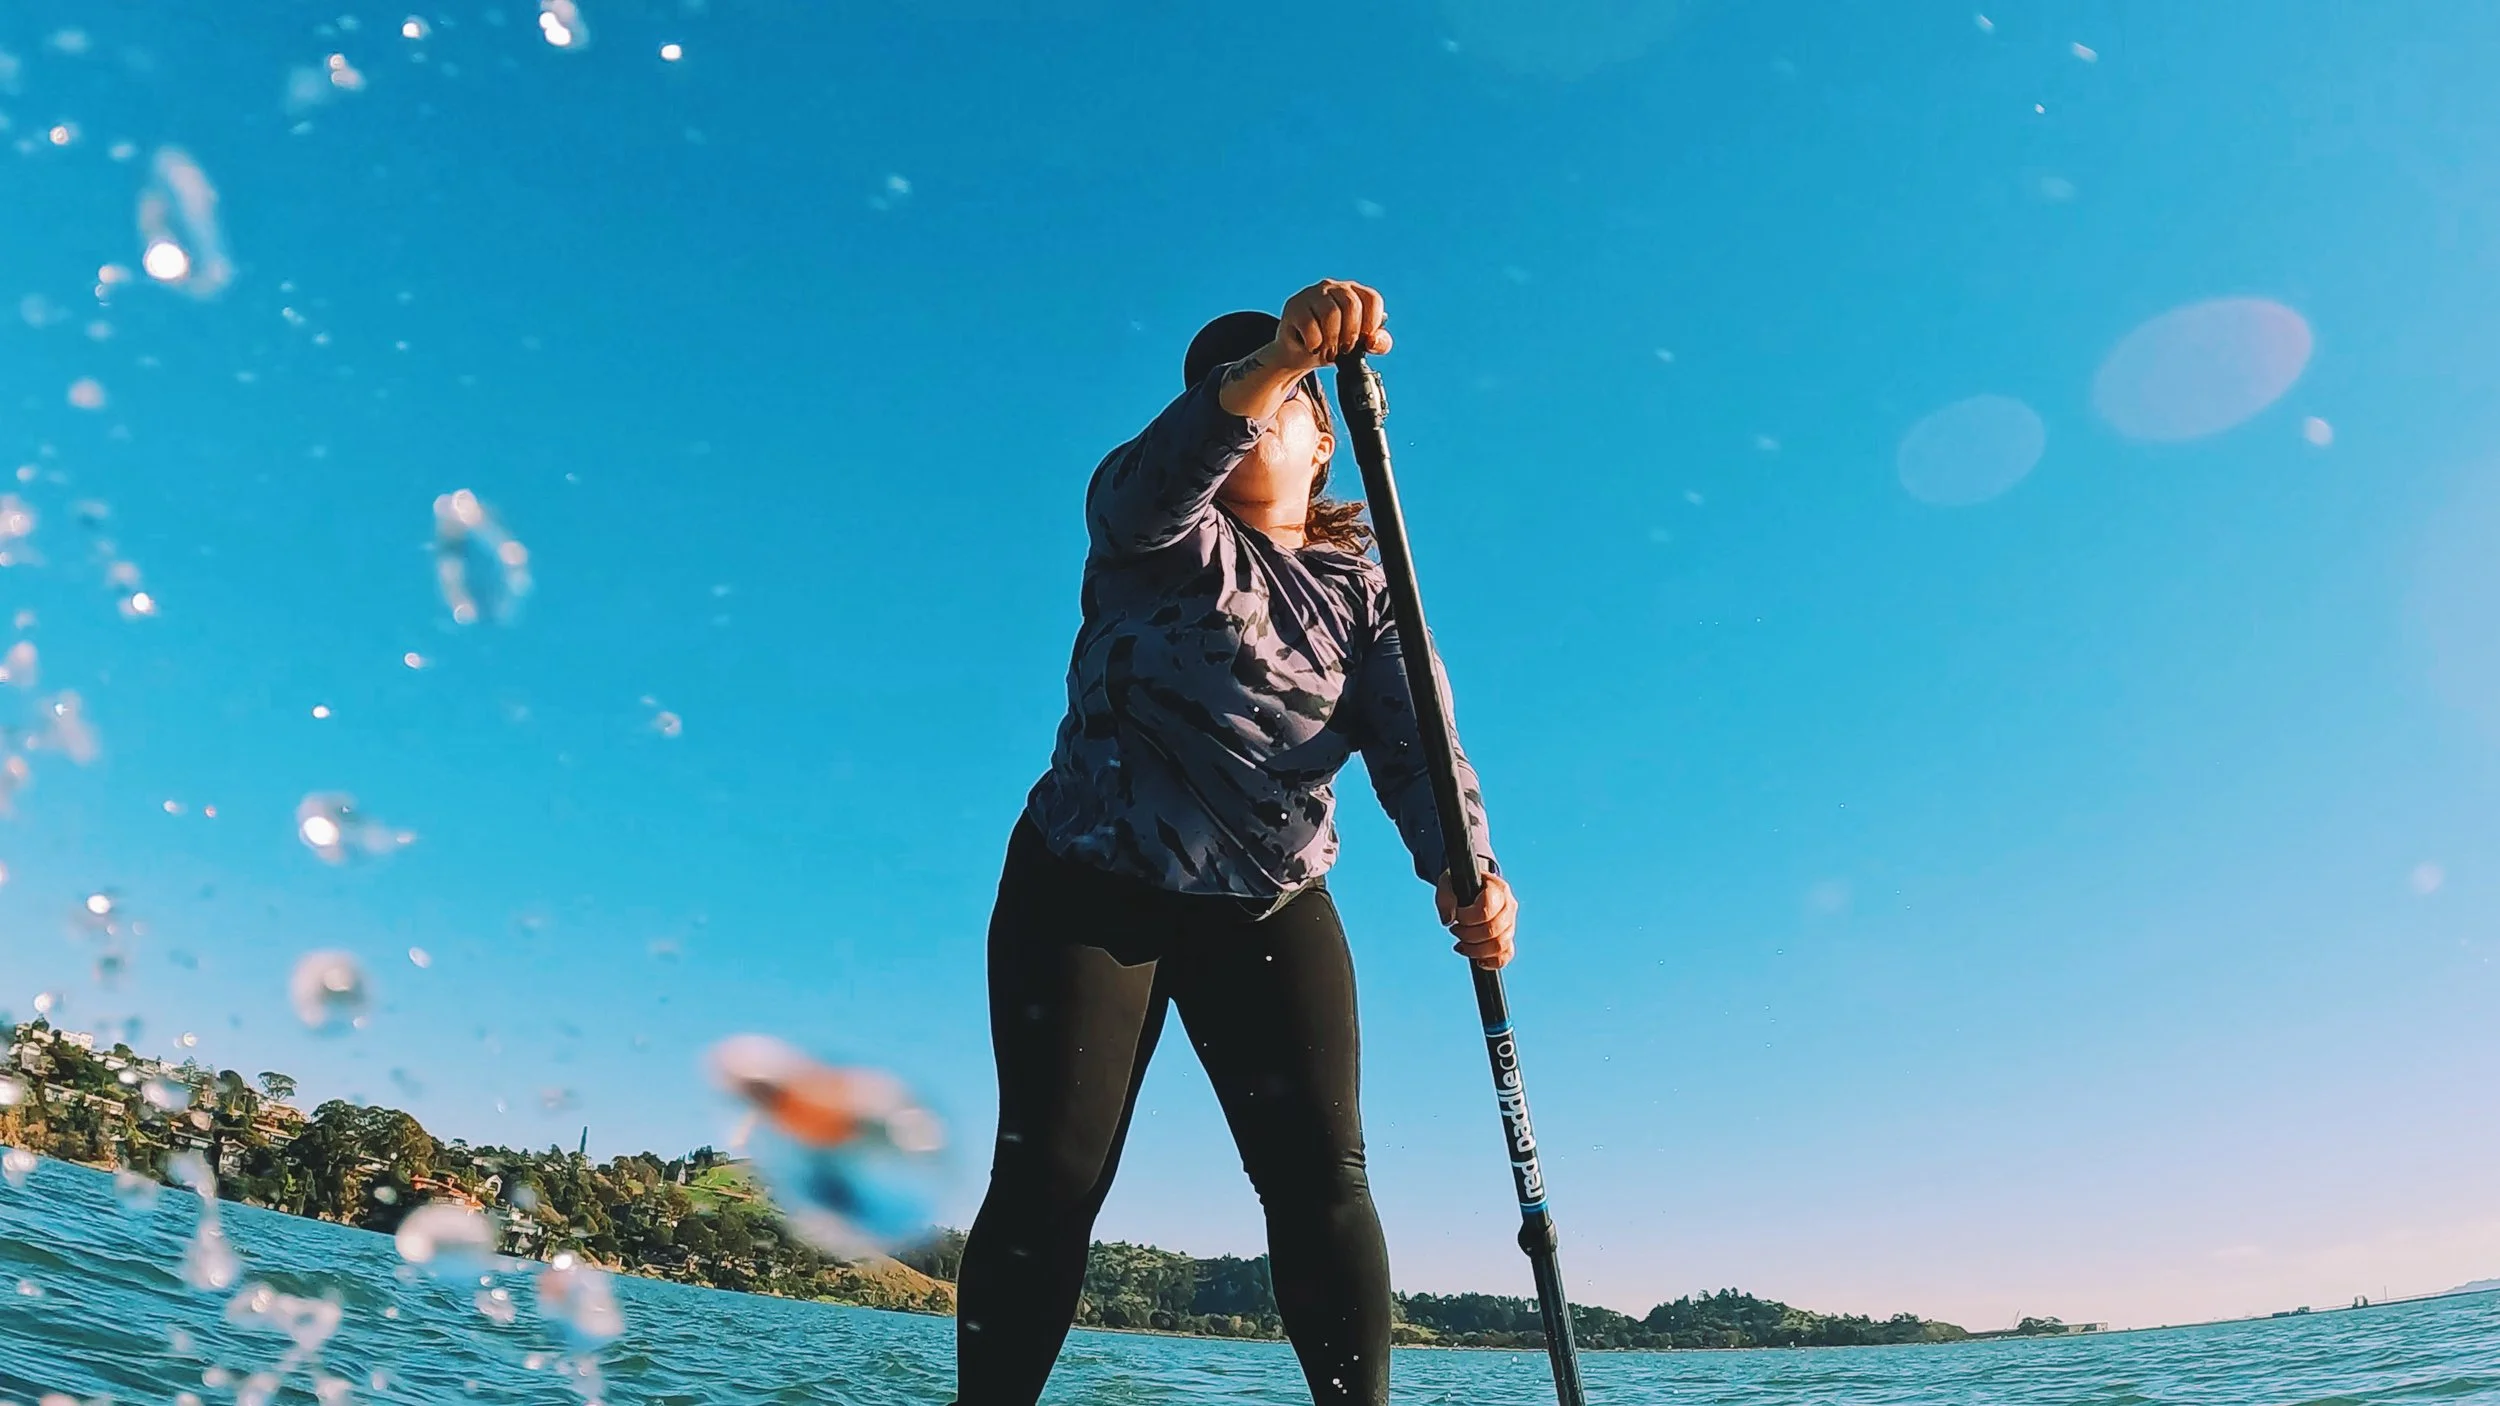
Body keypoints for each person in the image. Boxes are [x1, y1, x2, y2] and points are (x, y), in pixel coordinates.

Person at [953, 279, 1519, 1406]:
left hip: (1266, 900)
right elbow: (1146, 484)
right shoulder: (1154, 529)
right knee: (1055, 1173)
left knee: (1322, 1181)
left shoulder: (1365, 590)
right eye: (1230, 387)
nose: (1257, 408)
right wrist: (1269, 361)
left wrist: (1470, 872)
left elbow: (1419, 746)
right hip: (1086, 885)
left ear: (1326, 449)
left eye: (1291, 396)